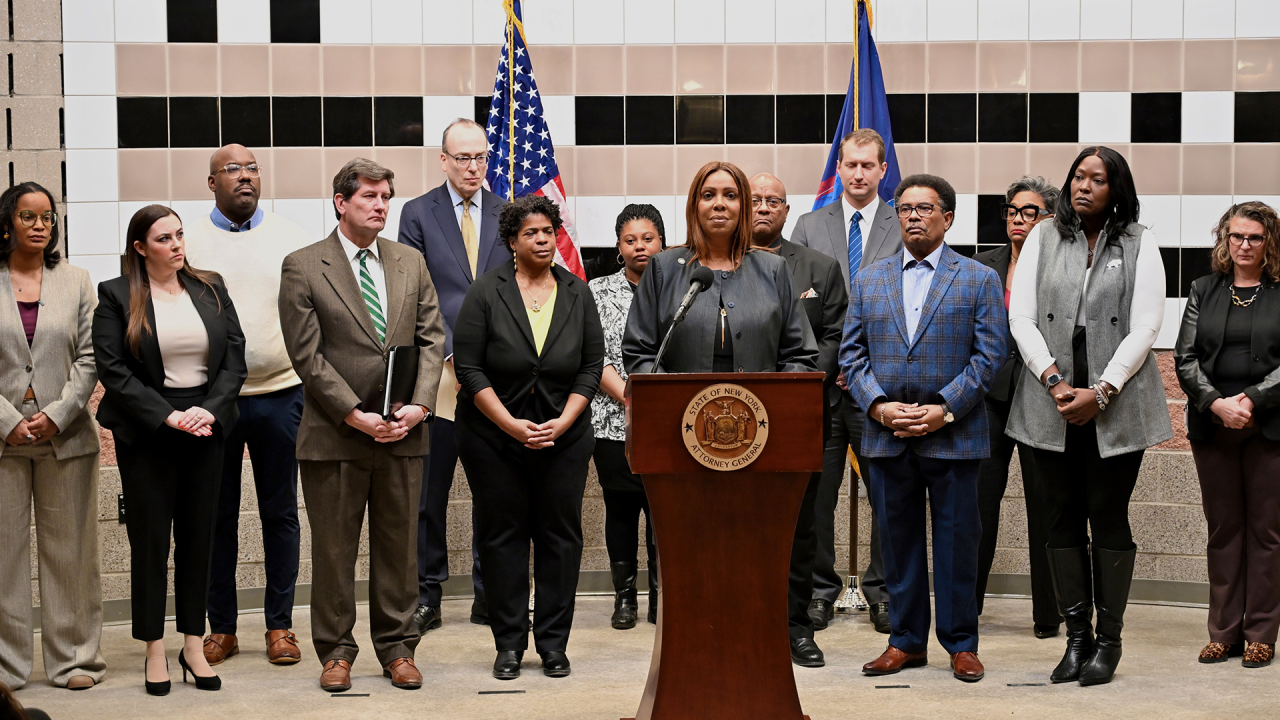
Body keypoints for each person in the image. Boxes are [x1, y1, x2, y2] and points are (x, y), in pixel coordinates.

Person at [1006, 146, 1172, 687]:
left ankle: (1110, 641)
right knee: (1059, 516)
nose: (1084, 187)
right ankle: (1076, 637)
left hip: (1116, 400)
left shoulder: (1140, 241)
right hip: (1047, 395)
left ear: (1115, 188)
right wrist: (1055, 381)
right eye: (1078, 176)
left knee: (1107, 516)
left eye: (1097, 180)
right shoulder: (1042, 236)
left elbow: (1146, 326)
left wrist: (1101, 392)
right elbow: (1021, 316)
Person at [278, 158, 445, 693]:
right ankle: (336, 652)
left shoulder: (409, 261)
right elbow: (307, 357)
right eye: (369, 196)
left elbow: (432, 339)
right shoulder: (304, 265)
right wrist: (355, 414)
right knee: (333, 550)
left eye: (385, 197)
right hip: (336, 434)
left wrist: (419, 408)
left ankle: (398, 648)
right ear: (341, 202)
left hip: (403, 431)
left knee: (399, 548)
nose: (380, 206)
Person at [841, 174, 1006, 684]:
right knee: (898, 542)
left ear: (947, 218)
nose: (912, 216)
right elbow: (852, 354)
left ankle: (961, 644)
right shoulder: (870, 279)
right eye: (905, 208)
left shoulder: (978, 279)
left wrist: (944, 409)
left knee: (958, 543)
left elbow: (990, 356)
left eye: (924, 208)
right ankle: (906, 642)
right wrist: (880, 408)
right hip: (887, 434)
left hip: (954, 434)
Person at [93, 205, 247, 695]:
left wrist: (211, 409)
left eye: (179, 235)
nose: (177, 244)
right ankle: (154, 648)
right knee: (152, 541)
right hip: (149, 431)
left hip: (205, 425)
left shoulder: (210, 286)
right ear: (141, 248)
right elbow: (113, 370)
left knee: (199, 539)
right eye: (164, 238)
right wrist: (167, 415)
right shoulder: (116, 295)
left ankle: (193, 645)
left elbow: (235, 356)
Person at [454, 195, 603, 680]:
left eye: (547, 231)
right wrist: (510, 425)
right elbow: (470, 369)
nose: (542, 239)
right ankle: (510, 644)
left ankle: (554, 644)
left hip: (565, 437)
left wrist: (563, 421)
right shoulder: (486, 291)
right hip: (494, 440)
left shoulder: (577, 292)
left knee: (561, 538)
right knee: (503, 538)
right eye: (531, 233)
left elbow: (590, 367)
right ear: (512, 241)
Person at [183, 144, 313, 667]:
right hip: (213, 403)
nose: (245, 177)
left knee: (280, 512)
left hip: (281, 393)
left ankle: (280, 627)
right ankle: (222, 628)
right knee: (218, 516)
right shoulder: (186, 240)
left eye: (252, 168)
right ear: (211, 182)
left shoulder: (289, 238)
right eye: (232, 170)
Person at [398, 118, 510, 632]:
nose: (473, 167)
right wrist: (450, 355)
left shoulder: (509, 213)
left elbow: (516, 285)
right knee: (429, 493)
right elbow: (413, 289)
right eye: (463, 158)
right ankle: (427, 594)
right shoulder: (418, 213)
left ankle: (490, 591)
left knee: (495, 487)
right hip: (438, 372)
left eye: (481, 157)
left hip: (494, 372)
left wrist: (483, 358)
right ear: (443, 159)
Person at [791, 129, 902, 634]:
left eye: (867, 166)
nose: (858, 174)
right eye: (850, 164)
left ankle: (883, 591)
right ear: (839, 168)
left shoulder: (903, 223)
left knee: (886, 491)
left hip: (881, 382)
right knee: (817, 493)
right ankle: (818, 591)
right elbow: (799, 306)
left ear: (883, 171)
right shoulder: (810, 224)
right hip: (822, 382)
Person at [0, 182, 105, 691]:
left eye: (47, 217)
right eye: (28, 216)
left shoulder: (78, 281)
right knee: (4, 557)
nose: (40, 225)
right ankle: (6, 668)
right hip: (2, 442)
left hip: (65, 438)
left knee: (71, 555)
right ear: (7, 224)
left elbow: (91, 358)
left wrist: (58, 413)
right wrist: (8, 420)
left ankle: (75, 661)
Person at [748, 173, 847, 668]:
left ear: (788, 212)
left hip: (802, 415)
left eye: (773, 201)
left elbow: (834, 335)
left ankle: (796, 627)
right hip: (735, 422)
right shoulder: (709, 265)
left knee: (800, 527)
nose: (763, 207)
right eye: (756, 199)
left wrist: (794, 383)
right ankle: (743, 624)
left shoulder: (819, 267)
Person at [1176, 201, 1280, 669]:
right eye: (1236, 236)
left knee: (1267, 532)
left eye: (1254, 237)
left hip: (1270, 426)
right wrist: (1216, 403)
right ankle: (1224, 632)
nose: (1244, 245)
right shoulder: (1204, 289)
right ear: (1225, 238)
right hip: (1213, 425)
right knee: (1223, 531)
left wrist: (1253, 399)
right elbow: (1186, 358)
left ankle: (1260, 632)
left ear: (1269, 243)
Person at [623, 161, 818, 376]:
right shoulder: (662, 268)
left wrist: (773, 402)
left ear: (743, 206)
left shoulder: (773, 269)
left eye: (730, 195)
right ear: (694, 206)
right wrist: (672, 397)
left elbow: (799, 354)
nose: (719, 203)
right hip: (681, 407)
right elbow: (639, 352)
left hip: (761, 407)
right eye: (708, 195)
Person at [972, 177, 1062, 639]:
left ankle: (1049, 613)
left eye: (1030, 212)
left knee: (1045, 508)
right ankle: (966, 607)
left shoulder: (1061, 265)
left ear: (1049, 218)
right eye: (1012, 211)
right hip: (987, 400)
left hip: (1041, 398)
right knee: (977, 506)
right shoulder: (983, 265)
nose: (1018, 220)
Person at [589, 204, 665, 631]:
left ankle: (660, 596)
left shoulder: (682, 286)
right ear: (619, 247)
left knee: (662, 511)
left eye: (647, 238)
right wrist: (632, 400)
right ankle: (624, 600)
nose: (640, 247)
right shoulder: (596, 291)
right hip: (612, 422)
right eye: (630, 240)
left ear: (662, 242)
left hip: (672, 424)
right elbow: (594, 358)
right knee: (621, 507)